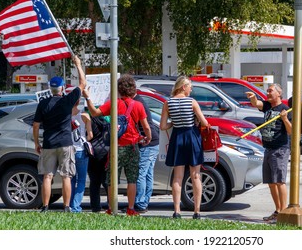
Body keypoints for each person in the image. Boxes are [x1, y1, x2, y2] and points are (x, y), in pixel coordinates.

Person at [83, 74, 152, 216]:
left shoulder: (114, 104)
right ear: (133, 89)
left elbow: (95, 113)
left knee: (112, 179)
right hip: (133, 146)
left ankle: (111, 207)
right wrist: (148, 138)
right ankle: (131, 209)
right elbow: (146, 126)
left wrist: (88, 97)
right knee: (132, 179)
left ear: (119, 89)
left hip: (116, 147)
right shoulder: (138, 105)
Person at [33, 55, 86, 212]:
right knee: (66, 176)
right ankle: (67, 206)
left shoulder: (43, 104)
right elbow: (83, 84)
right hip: (65, 143)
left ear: (50, 89)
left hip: (49, 143)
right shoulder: (67, 100)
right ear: (62, 88)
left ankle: (45, 206)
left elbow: (36, 125)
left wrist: (37, 142)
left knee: (47, 176)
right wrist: (78, 64)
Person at [159, 76, 209, 219]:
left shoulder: (167, 103)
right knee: (195, 176)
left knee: (177, 177)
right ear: (183, 87)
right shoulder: (192, 102)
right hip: (192, 137)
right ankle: (197, 211)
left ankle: (176, 211)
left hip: (177, 138)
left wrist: (173, 124)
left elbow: (163, 126)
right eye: (190, 86)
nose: (191, 89)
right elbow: (204, 123)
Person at [246, 83, 292, 223]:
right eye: (267, 90)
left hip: (280, 149)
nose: (268, 92)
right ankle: (278, 211)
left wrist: (284, 119)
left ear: (279, 93)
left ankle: (284, 213)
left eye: (271, 90)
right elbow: (257, 104)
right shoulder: (267, 106)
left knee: (279, 181)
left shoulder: (285, 110)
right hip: (268, 148)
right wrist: (253, 98)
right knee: (271, 182)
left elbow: (291, 131)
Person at [133, 93, 160, 213]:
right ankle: (144, 202)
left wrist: (147, 138)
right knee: (148, 174)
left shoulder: (137, 103)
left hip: (148, 142)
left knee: (141, 174)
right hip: (153, 142)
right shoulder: (139, 100)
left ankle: (140, 203)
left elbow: (146, 126)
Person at [69, 98, 93, 212]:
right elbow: (90, 136)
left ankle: (69, 204)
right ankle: (76, 205)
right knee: (82, 180)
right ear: (78, 102)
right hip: (81, 149)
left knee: (71, 179)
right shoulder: (85, 115)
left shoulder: (65, 115)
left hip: (69, 150)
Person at [87, 115, 109, 212]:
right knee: (106, 181)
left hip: (93, 152)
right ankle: (111, 204)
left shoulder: (89, 121)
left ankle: (95, 206)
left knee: (94, 182)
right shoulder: (107, 121)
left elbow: (89, 136)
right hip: (106, 152)